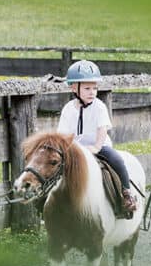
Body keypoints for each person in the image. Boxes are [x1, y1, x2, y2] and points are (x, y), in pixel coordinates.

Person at [57, 60, 137, 214]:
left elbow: (102, 129)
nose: (92, 92)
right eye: (87, 88)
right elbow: (63, 135)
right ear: (74, 88)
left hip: (99, 147)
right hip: (76, 149)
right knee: (54, 166)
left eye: (95, 88)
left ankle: (127, 194)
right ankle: (50, 199)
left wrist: (96, 147)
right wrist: (70, 149)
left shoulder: (99, 106)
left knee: (117, 160)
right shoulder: (68, 109)